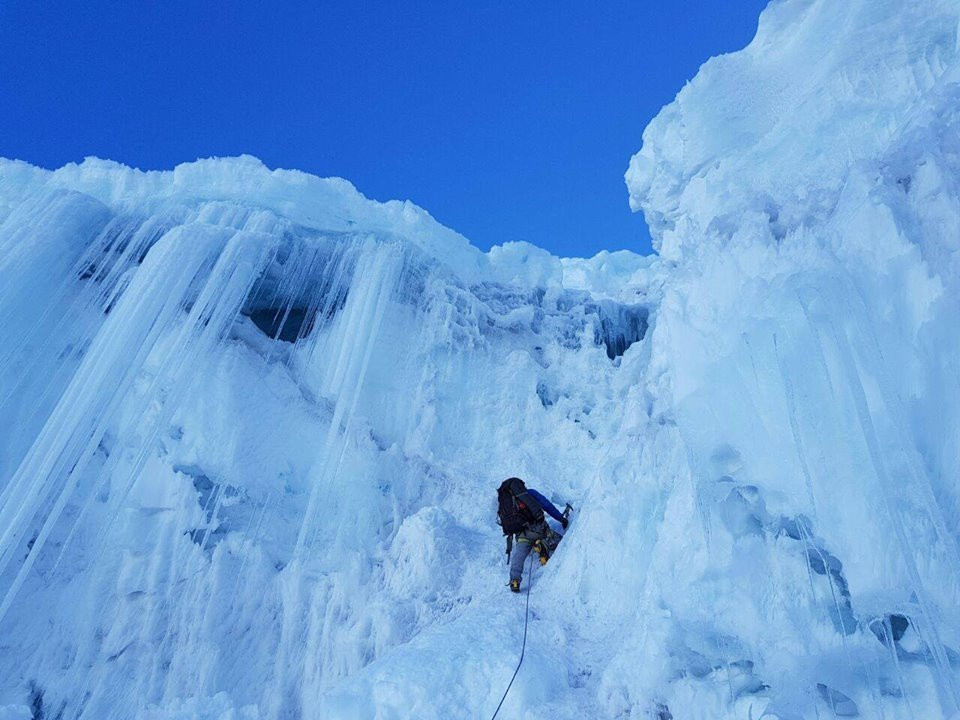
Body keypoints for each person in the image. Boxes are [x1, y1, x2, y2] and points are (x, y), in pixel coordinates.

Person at [496, 477, 570, 593]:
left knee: (518, 556)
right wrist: (561, 519)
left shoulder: (508, 503)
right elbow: (547, 506)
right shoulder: (530, 494)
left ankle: (514, 581)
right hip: (539, 529)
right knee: (561, 542)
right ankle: (542, 545)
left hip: (522, 535)